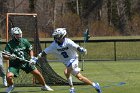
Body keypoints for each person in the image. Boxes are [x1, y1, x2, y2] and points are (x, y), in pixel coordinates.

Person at [31, 28, 102, 93]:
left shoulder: (68, 42)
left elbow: (76, 47)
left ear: (62, 36)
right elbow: (44, 52)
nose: (55, 38)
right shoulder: (54, 45)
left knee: (66, 72)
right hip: (66, 63)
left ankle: (72, 88)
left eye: (57, 36)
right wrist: (36, 58)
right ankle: (95, 85)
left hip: (74, 59)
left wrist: (82, 50)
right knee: (80, 77)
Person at [3, 27, 53, 93]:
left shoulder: (24, 41)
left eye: (20, 34)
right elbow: (4, 56)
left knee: (37, 73)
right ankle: (11, 86)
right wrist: (10, 57)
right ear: (13, 35)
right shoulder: (9, 44)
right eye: (17, 34)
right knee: (8, 76)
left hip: (26, 61)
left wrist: (32, 58)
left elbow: (30, 50)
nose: (19, 36)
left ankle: (44, 86)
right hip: (15, 63)